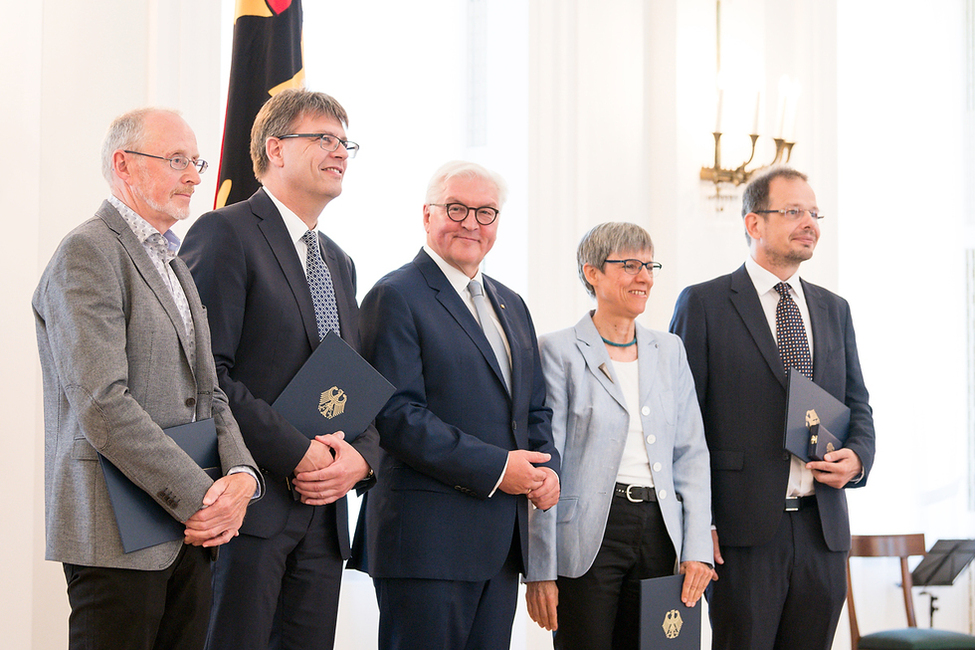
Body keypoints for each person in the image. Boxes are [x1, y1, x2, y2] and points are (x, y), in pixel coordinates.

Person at [32, 108, 262, 650]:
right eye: (177, 160)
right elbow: (104, 404)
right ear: (124, 166)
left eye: (196, 161)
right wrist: (203, 500)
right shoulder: (87, 251)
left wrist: (244, 476)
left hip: (190, 536)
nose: (195, 176)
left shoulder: (174, 260)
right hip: (118, 532)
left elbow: (210, 391)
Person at [179, 89, 380, 650]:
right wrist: (299, 452)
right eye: (324, 138)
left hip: (323, 521)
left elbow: (352, 381)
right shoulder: (226, 232)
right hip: (251, 511)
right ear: (276, 148)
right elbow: (205, 376)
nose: (340, 151)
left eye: (346, 142)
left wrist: (360, 459)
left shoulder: (339, 261)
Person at [355, 161, 560, 650]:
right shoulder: (395, 295)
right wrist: (498, 469)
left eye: (485, 212)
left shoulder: (511, 303)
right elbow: (396, 416)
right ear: (427, 216)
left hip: (500, 545)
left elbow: (533, 409)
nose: (471, 223)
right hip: (426, 543)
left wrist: (547, 469)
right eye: (456, 208)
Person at [669, 166, 876, 650]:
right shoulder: (704, 303)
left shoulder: (834, 308)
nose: (810, 223)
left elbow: (858, 405)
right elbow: (682, 422)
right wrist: (698, 526)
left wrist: (859, 458)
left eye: (814, 213)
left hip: (822, 530)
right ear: (754, 224)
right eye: (794, 212)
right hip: (741, 534)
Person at [524, 222, 713, 649]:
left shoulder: (671, 350)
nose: (644, 276)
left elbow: (691, 455)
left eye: (649, 265)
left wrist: (697, 546)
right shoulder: (557, 350)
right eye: (630, 265)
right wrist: (540, 568)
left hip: (661, 532)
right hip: (588, 534)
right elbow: (544, 464)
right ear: (592, 273)